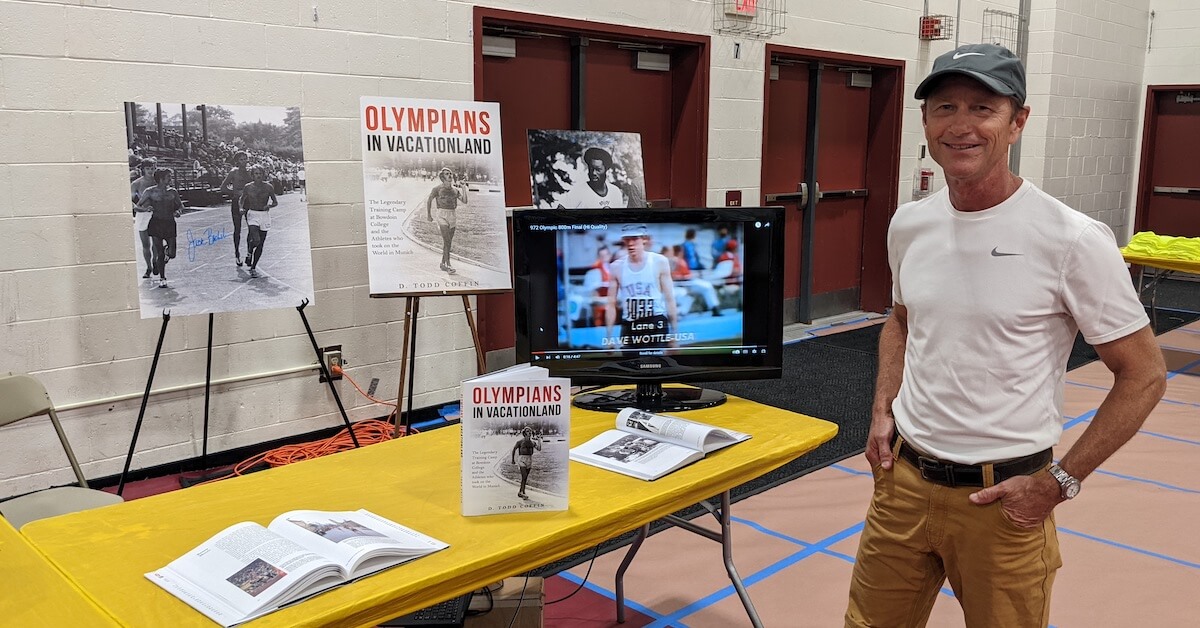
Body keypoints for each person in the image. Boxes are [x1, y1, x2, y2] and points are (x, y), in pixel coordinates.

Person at [844, 44, 1167, 628]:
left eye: (982, 108)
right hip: (903, 485)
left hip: (1005, 503)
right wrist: (881, 412)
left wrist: (1059, 483)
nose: (960, 126)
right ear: (925, 122)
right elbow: (901, 319)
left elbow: (1144, 374)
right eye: (944, 108)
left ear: (1017, 122)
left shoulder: (1071, 238)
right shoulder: (911, 223)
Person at [605, 224, 678, 350]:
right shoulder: (616, 266)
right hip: (630, 324)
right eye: (627, 239)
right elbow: (611, 303)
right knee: (629, 366)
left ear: (644, 239)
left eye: (635, 239)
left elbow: (670, 298)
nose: (631, 243)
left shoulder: (659, 261)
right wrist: (609, 337)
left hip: (655, 322)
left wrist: (675, 335)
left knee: (657, 365)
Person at [136, 168, 183, 289]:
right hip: (156, 223)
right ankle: (162, 278)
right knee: (159, 253)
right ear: (161, 179)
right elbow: (137, 207)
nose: (171, 179)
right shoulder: (150, 192)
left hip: (169, 223)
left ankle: (165, 256)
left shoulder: (173, 192)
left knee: (172, 254)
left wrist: (178, 211)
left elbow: (180, 206)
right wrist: (145, 209)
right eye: (168, 177)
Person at [425, 167, 468, 275]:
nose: (450, 175)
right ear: (442, 177)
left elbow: (465, 201)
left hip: (452, 215)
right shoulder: (437, 189)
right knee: (447, 241)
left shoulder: (455, 190)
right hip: (441, 215)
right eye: (447, 174)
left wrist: (463, 188)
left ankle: (442, 263)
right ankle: (448, 265)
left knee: (448, 242)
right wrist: (429, 215)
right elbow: (429, 200)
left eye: (450, 173)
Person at [239, 165, 279, 279]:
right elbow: (241, 199)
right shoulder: (248, 187)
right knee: (255, 239)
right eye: (256, 173)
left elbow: (275, 202)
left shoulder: (269, 187)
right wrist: (241, 208)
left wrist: (270, 206)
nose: (258, 175)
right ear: (252, 175)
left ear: (263, 174)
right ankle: (249, 252)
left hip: (264, 215)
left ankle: (253, 267)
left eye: (260, 173)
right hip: (253, 214)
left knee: (261, 243)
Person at [557, 147, 628, 209]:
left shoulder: (615, 192)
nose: (594, 173)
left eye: (598, 170)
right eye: (591, 169)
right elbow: (559, 214)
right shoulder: (578, 192)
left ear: (606, 170)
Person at [219, 151, 253, 266]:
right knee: (237, 229)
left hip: (249, 202)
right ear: (237, 160)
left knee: (252, 228)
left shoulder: (250, 172)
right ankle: (237, 253)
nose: (244, 161)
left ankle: (249, 253)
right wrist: (234, 192)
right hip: (236, 202)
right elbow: (223, 187)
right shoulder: (233, 172)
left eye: (245, 159)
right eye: (242, 159)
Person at [670, 244, 721, 316]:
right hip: (684, 284)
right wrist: (685, 276)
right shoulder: (674, 261)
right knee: (706, 286)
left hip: (689, 281)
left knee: (707, 286)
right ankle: (679, 313)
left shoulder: (681, 260)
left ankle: (714, 307)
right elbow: (674, 276)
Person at [130, 158, 158, 279]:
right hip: (142, 215)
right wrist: (141, 209)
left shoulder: (158, 181)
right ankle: (148, 268)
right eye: (148, 169)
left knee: (157, 243)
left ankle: (155, 262)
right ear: (143, 169)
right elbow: (130, 202)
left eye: (152, 168)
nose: (150, 171)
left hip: (156, 215)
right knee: (146, 244)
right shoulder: (136, 183)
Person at [511, 427, 542, 499]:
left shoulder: (532, 442)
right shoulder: (520, 442)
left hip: (529, 460)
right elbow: (514, 449)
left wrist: (539, 440)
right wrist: (513, 460)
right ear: (524, 433)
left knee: (525, 478)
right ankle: (522, 492)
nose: (530, 432)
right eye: (528, 431)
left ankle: (521, 492)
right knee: (524, 476)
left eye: (530, 431)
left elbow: (539, 449)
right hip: (522, 459)